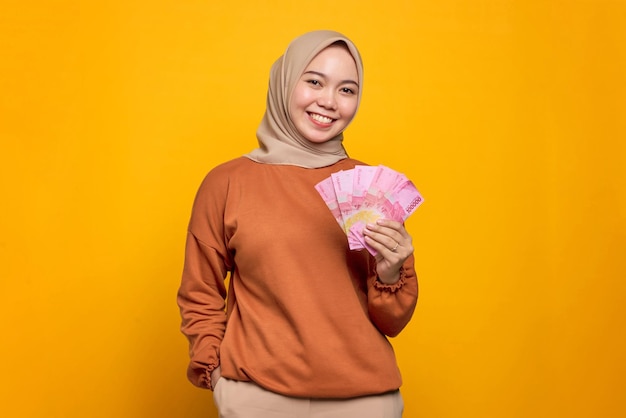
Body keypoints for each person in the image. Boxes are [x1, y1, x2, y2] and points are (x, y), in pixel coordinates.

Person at [177, 30, 418, 418]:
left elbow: (391, 322)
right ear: (285, 81)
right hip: (255, 396)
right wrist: (217, 374)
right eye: (314, 81)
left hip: (365, 400)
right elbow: (199, 292)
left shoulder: (371, 188)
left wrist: (391, 274)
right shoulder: (227, 182)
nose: (328, 101)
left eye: (347, 89)